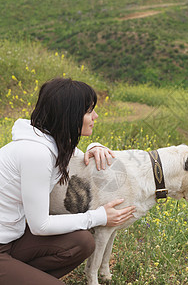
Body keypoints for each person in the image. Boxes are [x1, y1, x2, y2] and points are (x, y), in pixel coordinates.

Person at [0, 78, 136, 284]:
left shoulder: (48, 141)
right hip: (6, 242)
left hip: (12, 238)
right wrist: (98, 216)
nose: (95, 116)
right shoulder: (35, 153)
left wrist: (94, 147)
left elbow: (75, 154)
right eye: (89, 111)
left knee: (82, 242)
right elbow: (40, 226)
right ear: (69, 115)